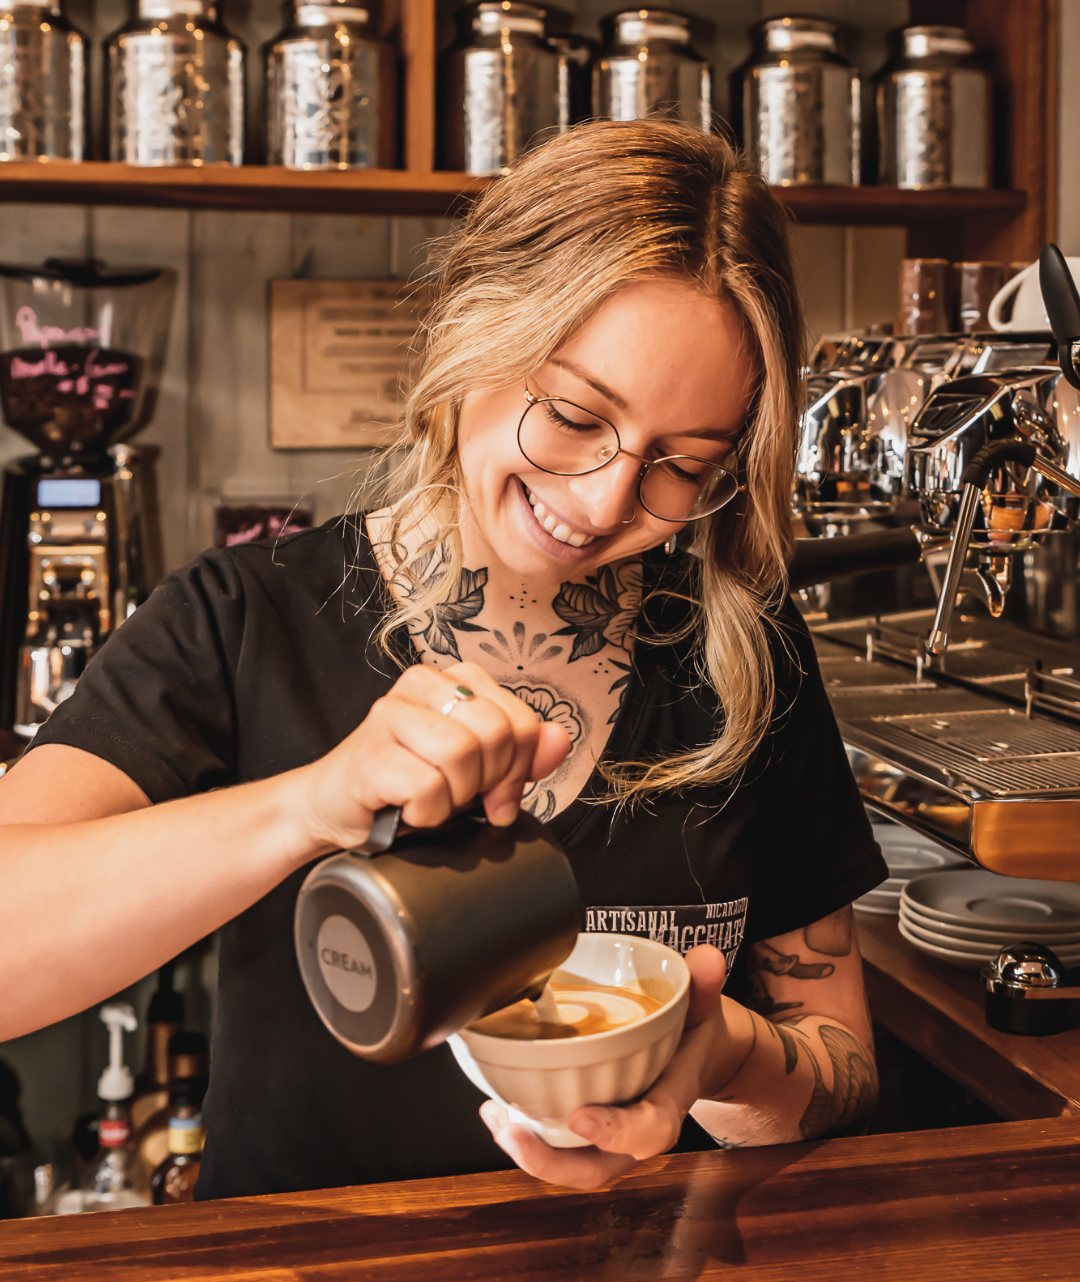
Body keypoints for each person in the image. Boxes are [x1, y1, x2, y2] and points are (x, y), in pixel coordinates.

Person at [0, 119, 886, 1198]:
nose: (606, 500)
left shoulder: (743, 651)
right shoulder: (244, 619)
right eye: (573, 416)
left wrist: (726, 1057)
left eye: (683, 465)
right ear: (475, 335)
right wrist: (310, 804)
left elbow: (842, 1068)